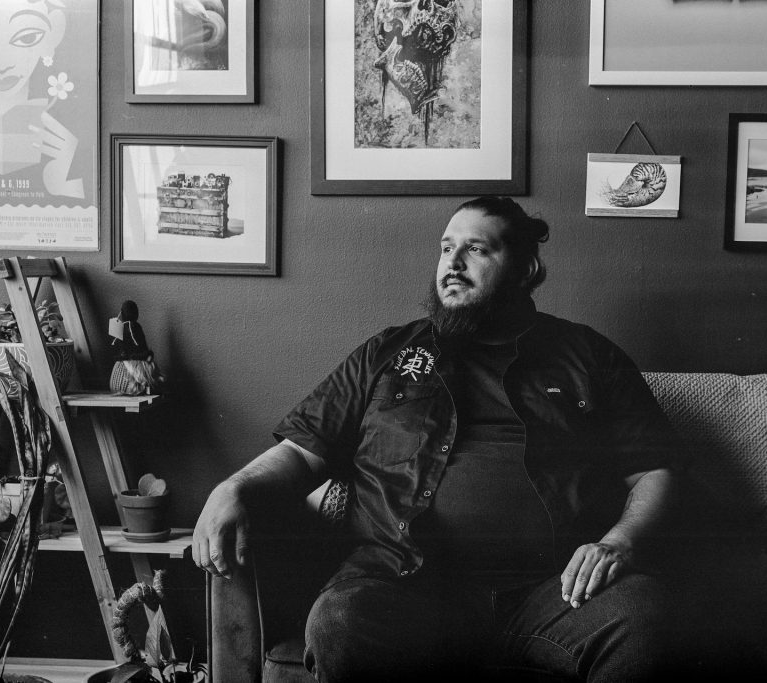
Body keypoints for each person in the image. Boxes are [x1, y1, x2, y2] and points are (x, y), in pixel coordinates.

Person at [193, 197, 684, 682]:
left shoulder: (588, 355)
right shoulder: (386, 353)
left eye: (477, 249)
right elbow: (302, 452)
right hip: (403, 588)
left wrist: (617, 543)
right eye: (447, 248)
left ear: (526, 268)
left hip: (555, 591)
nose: (453, 262)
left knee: (644, 619)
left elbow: (654, 470)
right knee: (340, 622)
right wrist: (232, 488)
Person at [0, 0, 84, 198]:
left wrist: (64, 174)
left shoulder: (60, 125)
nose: (1, 64)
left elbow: (84, 211)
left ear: (54, 34)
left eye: (27, 38)